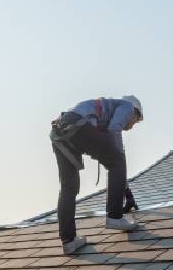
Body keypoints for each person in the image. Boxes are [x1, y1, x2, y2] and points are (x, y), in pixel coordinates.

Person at [50, 95, 144, 254]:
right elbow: (114, 130)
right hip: (77, 125)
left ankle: (69, 241)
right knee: (117, 160)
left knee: (69, 187)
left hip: (59, 130)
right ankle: (114, 216)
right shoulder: (127, 106)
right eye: (136, 121)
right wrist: (119, 156)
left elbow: (113, 167)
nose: (132, 125)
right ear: (135, 112)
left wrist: (126, 192)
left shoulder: (106, 110)